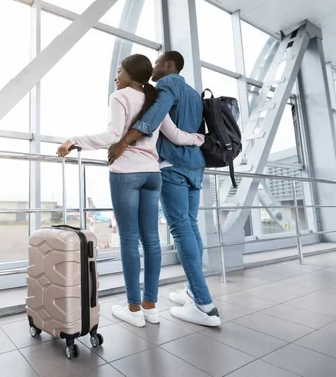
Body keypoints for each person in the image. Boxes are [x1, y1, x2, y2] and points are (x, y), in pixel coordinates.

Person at [57, 54, 204, 328]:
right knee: (151, 240)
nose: (116, 76)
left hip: (126, 174)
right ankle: (151, 307)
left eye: (119, 71)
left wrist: (74, 140)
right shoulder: (154, 99)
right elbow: (176, 136)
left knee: (128, 239)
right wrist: (200, 138)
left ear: (130, 75)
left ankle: (134, 308)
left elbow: (114, 137)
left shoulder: (120, 96)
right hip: (153, 174)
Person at [108, 51, 221, 327]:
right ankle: (194, 291)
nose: (154, 68)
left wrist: (125, 141)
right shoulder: (194, 92)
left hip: (174, 166)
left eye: (157, 63)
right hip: (195, 165)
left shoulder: (168, 85)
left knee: (180, 229)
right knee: (191, 227)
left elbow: (156, 116)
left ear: (170, 64)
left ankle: (204, 305)